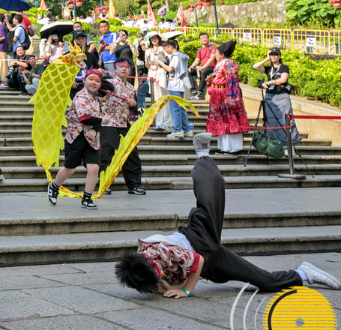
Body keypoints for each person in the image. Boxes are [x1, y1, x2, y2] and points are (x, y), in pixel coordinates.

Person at [116, 133, 339, 296]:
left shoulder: (159, 253)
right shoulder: (144, 263)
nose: (159, 281)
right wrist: (165, 289)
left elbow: (197, 260)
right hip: (210, 260)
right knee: (263, 280)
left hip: (200, 240)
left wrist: (184, 290)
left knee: (210, 198)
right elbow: (164, 278)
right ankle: (304, 274)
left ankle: (202, 155)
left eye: (157, 278)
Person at [48, 69, 105, 210]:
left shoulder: (96, 99)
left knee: (94, 167)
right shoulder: (81, 96)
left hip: (91, 138)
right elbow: (84, 118)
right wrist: (104, 120)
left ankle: (87, 198)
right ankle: (54, 187)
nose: (94, 83)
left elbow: (97, 118)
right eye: (91, 79)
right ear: (84, 80)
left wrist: (95, 129)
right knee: (70, 168)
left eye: (97, 81)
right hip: (76, 136)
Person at [98, 59, 144, 195]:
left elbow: (133, 106)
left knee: (131, 153)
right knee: (107, 152)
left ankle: (134, 185)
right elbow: (99, 94)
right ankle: (104, 182)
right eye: (121, 66)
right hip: (110, 122)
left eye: (127, 67)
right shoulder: (109, 83)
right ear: (115, 69)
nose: (124, 69)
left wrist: (133, 103)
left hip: (125, 122)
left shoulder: (130, 87)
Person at [206, 41, 250, 154]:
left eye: (216, 52)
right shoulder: (220, 64)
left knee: (231, 120)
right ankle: (224, 147)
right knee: (221, 121)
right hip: (217, 96)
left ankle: (235, 147)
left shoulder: (230, 64)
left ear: (222, 54)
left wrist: (232, 97)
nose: (215, 54)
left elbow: (233, 82)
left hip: (226, 95)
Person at [253, 48, 302, 148]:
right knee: (271, 121)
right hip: (270, 96)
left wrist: (270, 82)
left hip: (282, 96)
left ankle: (288, 144)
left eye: (276, 55)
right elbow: (255, 66)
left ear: (279, 56)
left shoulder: (284, 67)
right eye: (272, 55)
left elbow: (283, 80)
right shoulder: (268, 68)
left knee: (285, 120)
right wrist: (267, 59)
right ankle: (274, 145)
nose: (274, 56)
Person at [159, 39, 194, 139]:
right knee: (181, 108)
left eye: (166, 48)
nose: (166, 50)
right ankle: (186, 130)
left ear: (170, 46)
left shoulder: (176, 56)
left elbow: (170, 69)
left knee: (175, 109)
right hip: (180, 85)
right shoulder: (182, 55)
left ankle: (177, 130)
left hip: (175, 85)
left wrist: (160, 63)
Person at [145, 33, 171, 132]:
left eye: (155, 38)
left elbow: (167, 41)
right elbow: (147, 65)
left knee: (164, 97)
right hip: (152, 73)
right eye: (152, 38)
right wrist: (147, 59)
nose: (153, 40)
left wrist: (159, 33)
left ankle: (167, 122)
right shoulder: (148, 50)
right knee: (156, 99)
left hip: (161, 72)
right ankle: (159, 121)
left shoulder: (162, 48)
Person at [188, 32, 217, 100]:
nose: (205, 39)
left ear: (208, 38)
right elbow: (197, 60)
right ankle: (193, 91)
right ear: (200, 40)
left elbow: (212, 58)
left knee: (204, 71)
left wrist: (203, 67)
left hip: (211, 67)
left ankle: (200, 92)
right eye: (203, 38)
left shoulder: (213, 47)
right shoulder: (200, 49)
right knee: (189, 71)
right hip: (203, 67)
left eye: (206, 37)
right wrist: (191, 67)